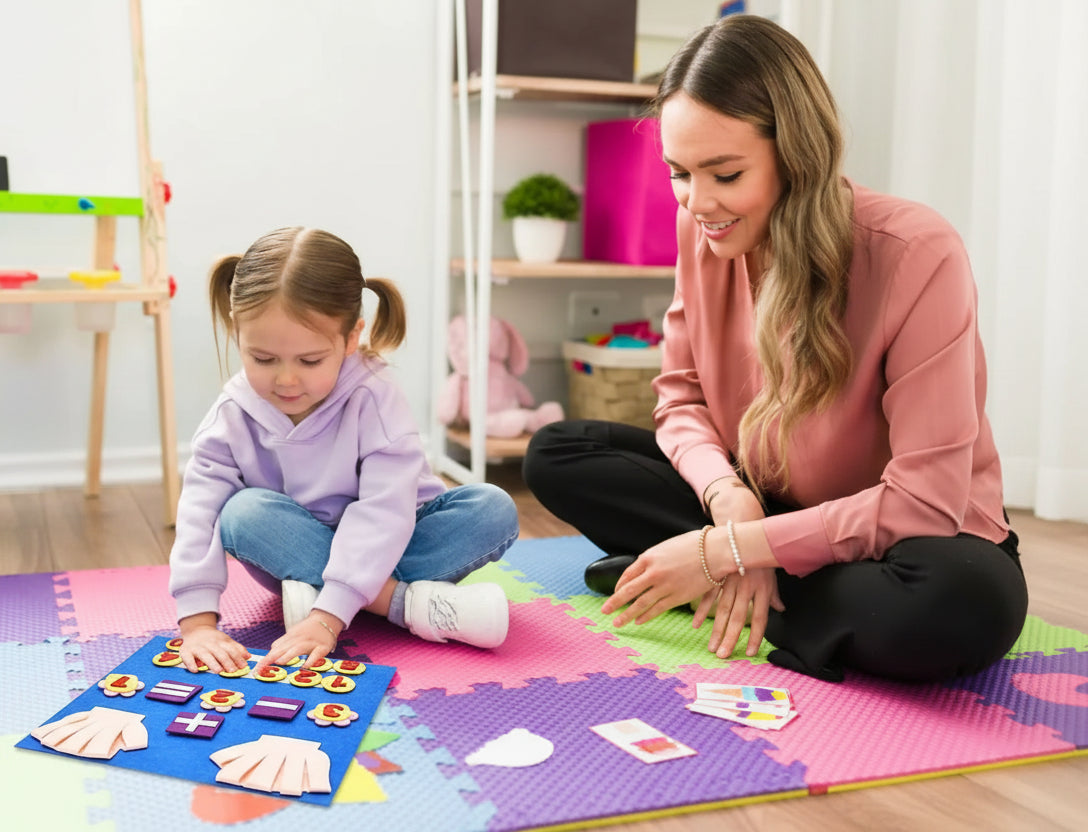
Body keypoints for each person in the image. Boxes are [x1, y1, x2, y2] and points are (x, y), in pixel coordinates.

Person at [522, 15, 1027, 683]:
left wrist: (723, 553)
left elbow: (924, 503)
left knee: (965, 600)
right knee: (559, 451)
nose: (698, 203)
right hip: (764, 502)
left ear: (797, 155)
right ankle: (774, 590)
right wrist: (729, 503)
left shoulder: (918, 253)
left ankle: (718, 581)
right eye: (679, 173)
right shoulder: (698, 229)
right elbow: (680, 399)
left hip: (893, 540)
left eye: (725, 174)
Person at [170, 226, 519, 676]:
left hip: (394, 539)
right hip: (298, 545)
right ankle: (403, 605)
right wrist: (197, 624)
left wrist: (327, 615)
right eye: (263, 359)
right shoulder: (233, 415)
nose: (286, 380)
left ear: (352, 337)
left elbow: (384, 512)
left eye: (310, 361)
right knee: (242, 514)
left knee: (492, 508)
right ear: (238, 334)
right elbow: (200, 514)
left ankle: (337, 598)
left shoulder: (374, 398)